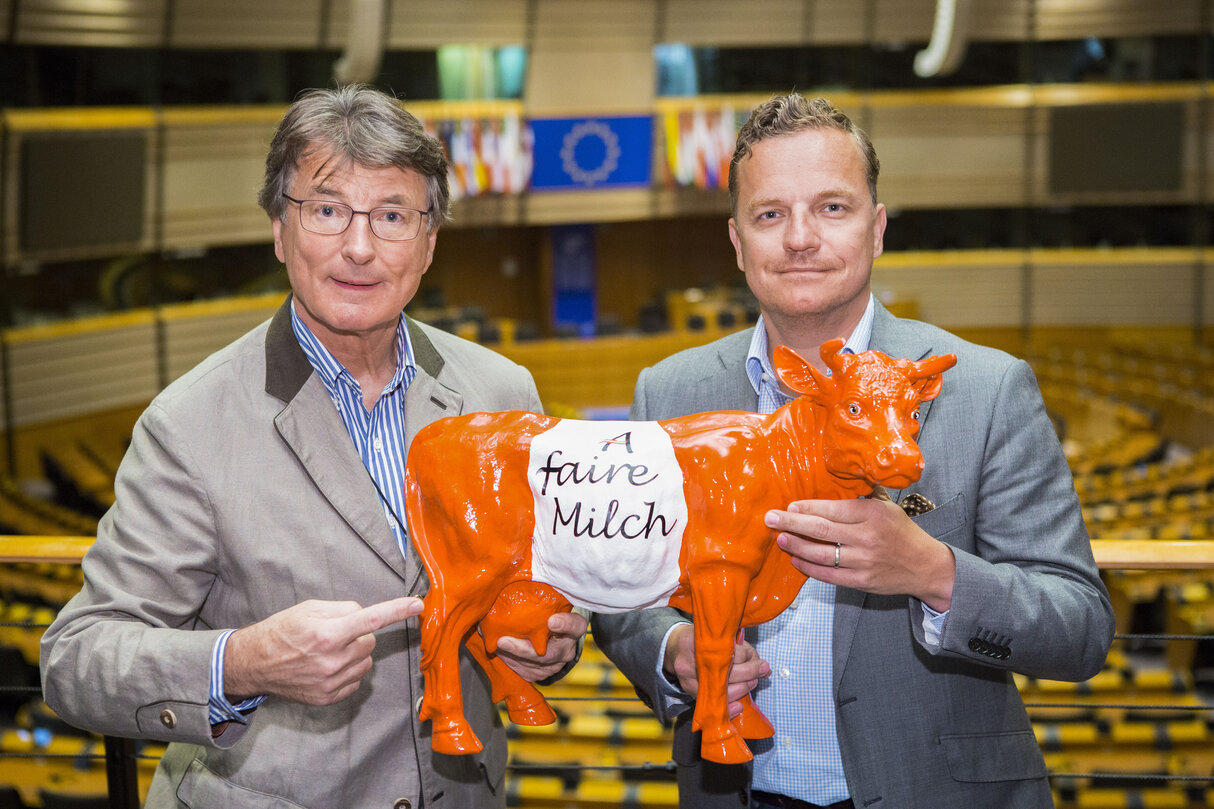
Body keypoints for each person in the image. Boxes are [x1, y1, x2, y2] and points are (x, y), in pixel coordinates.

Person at [40, 84, 587, 809]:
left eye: (392, 216)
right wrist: (241, 663)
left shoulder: (502, 391)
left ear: (428, 242)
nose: (358, 247)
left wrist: (551, 644)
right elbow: (77, 656)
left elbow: (542, 590)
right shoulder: (189, 424)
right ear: (279, 230)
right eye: (327, 210)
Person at [591, 93, 1114, 809]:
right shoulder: (670, 392)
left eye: (832, 208)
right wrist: (673, 646)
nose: (800, 238)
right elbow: (624, 592)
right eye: (770, 214)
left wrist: (934, 572)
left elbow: (1080, 624)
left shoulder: (988, 390)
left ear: (876, 228)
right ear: (739, 242)